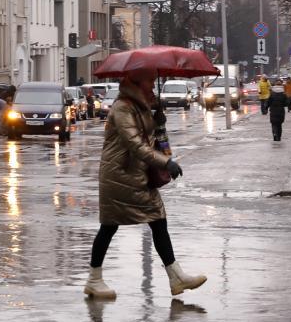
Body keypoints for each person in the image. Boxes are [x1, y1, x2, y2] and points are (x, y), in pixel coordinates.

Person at [84, 69, 207, 300]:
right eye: (149, 81)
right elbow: (135, 144)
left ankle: (176, 277)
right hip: (119, 176)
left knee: (158, 220)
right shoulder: (122, 108)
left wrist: (159, 124)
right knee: (110, 225)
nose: (152, 86)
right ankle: (94, 280)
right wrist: (166, 162)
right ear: (137, 83)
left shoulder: (140, 108)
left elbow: (153, 141)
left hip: (137, 176)